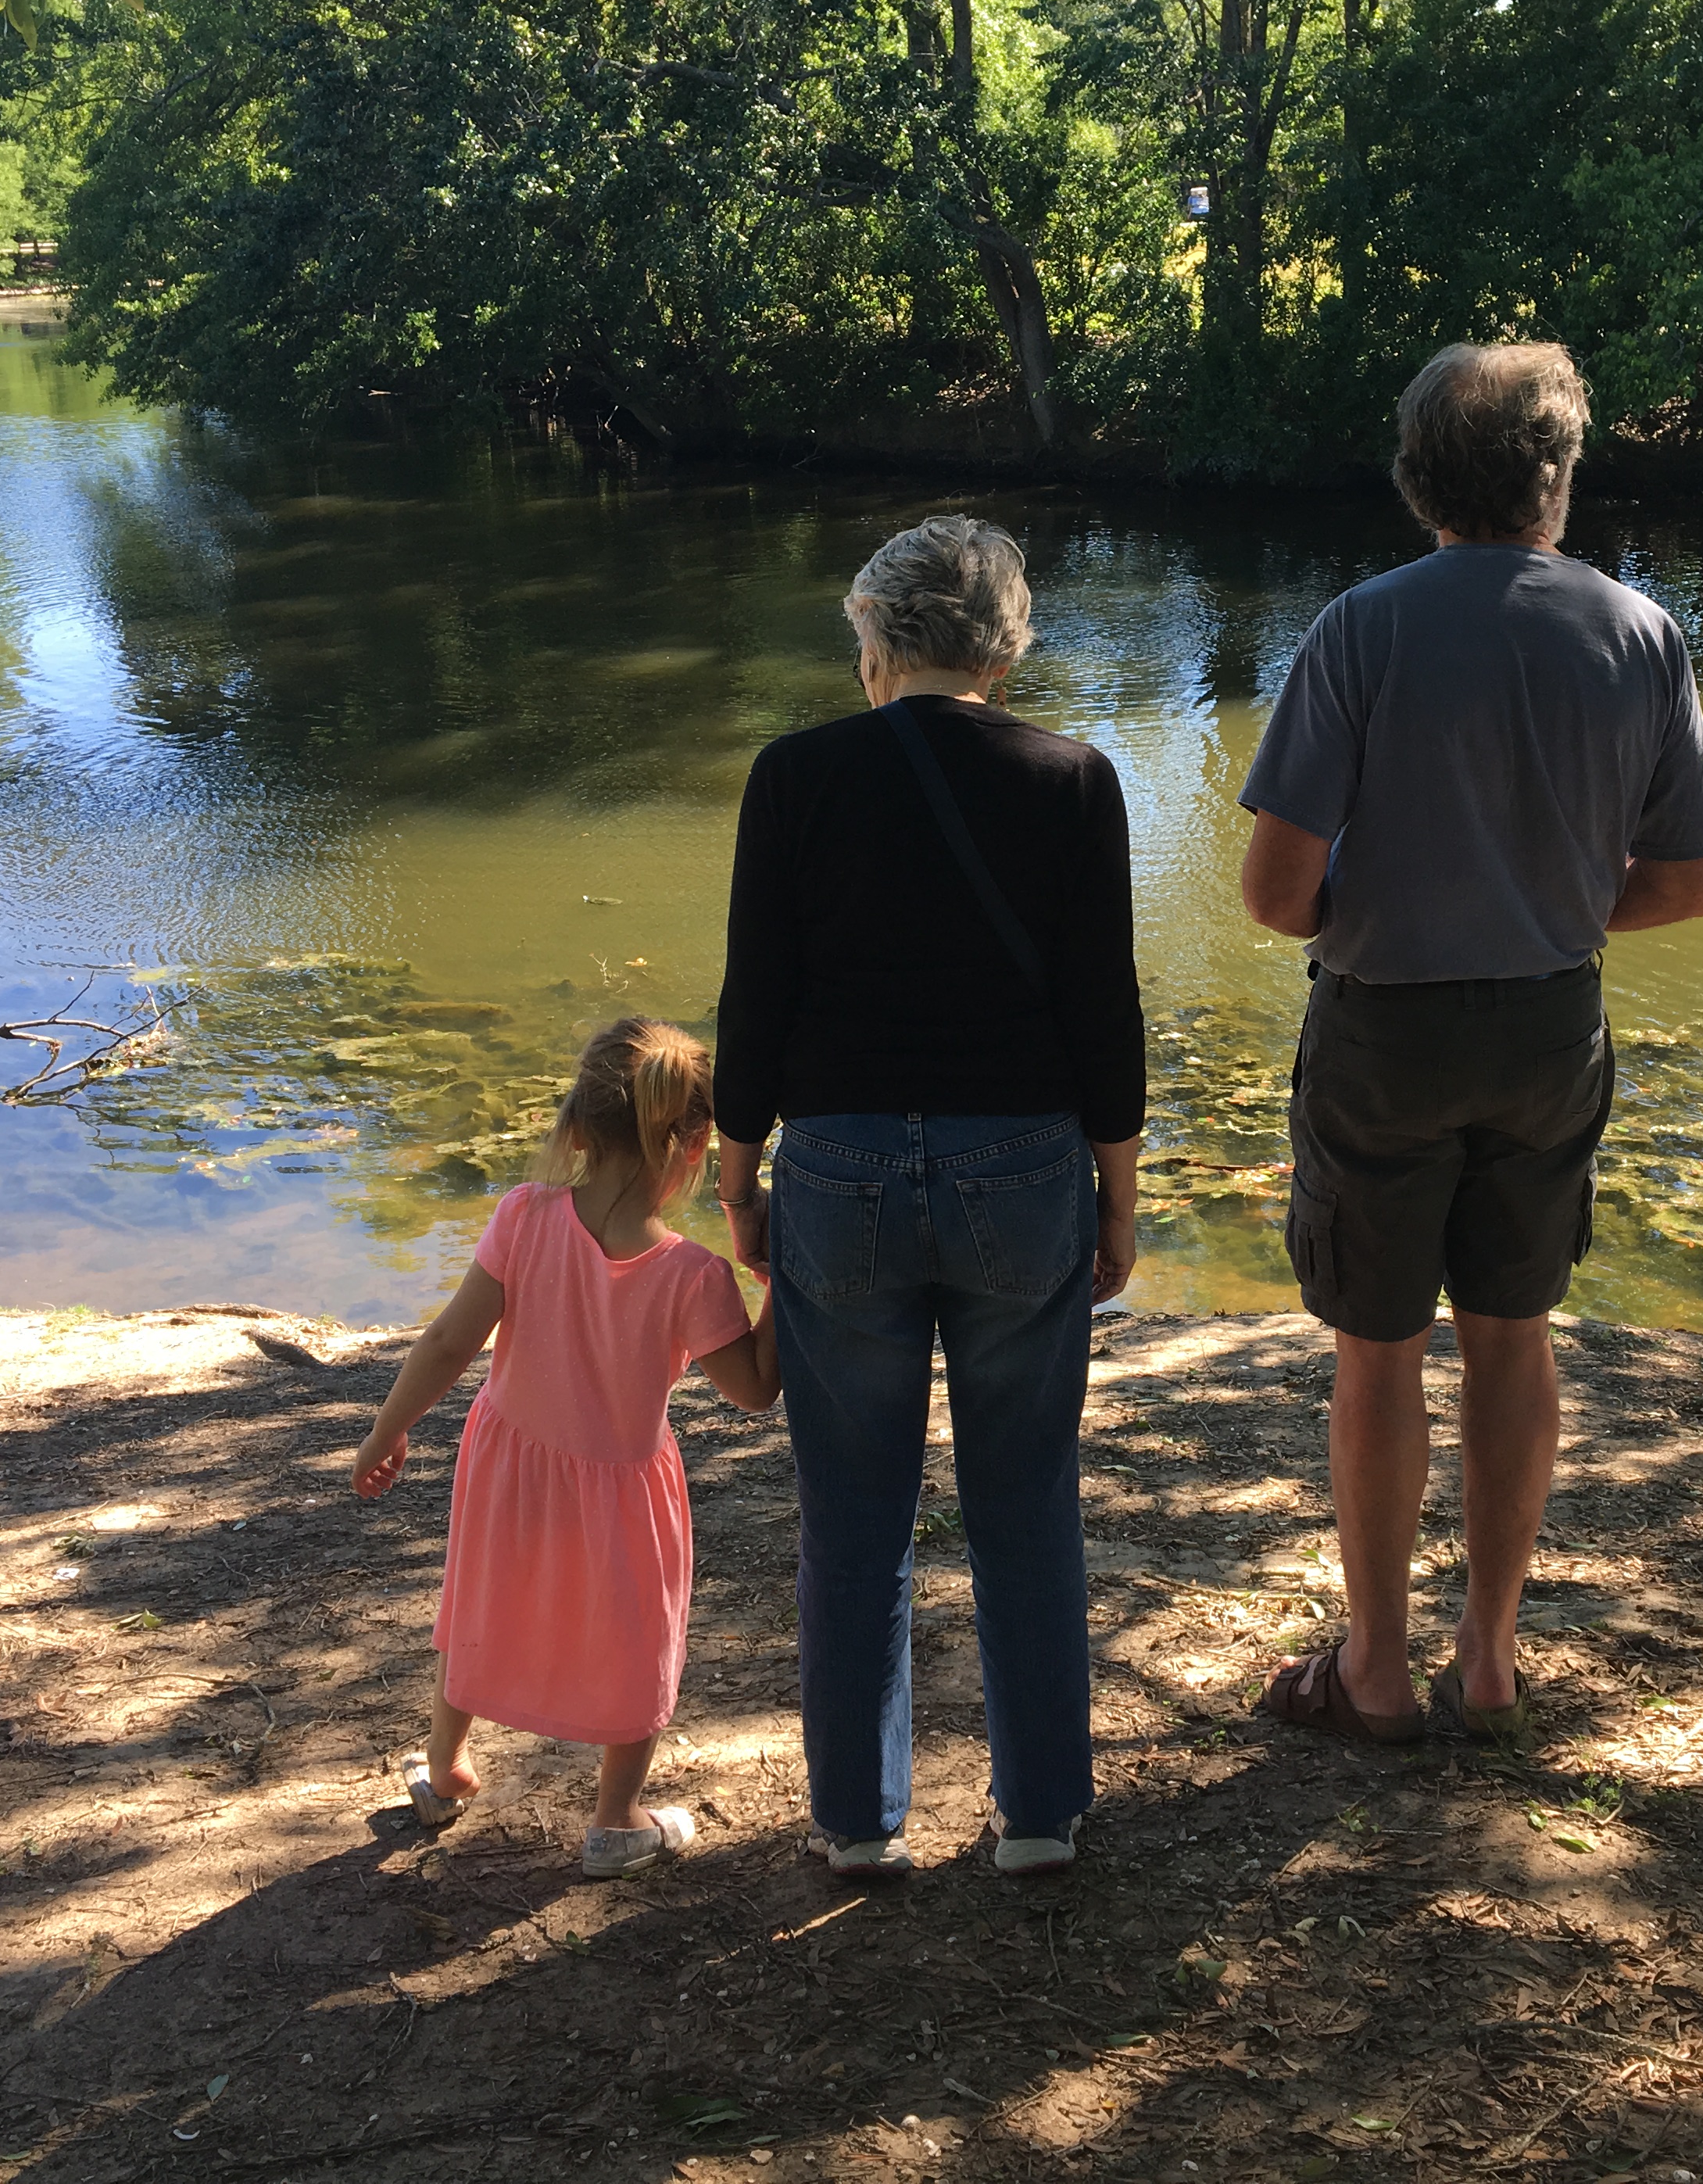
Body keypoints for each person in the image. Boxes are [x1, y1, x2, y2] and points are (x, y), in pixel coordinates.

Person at [1240, 341, 1703, 1753]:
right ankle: (1494, 1656)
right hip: (1548, 1020)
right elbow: (1690, 882)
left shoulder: (1360, 628)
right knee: (1512, 1341)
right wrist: (1551, 903)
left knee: (1376, 1350)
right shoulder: (1640, 632)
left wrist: (1388, 907)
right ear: (1556, 476)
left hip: (1383, 1025)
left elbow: (1276, 896)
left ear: (1416, 481)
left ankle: (1377, 1669)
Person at [715, 514, 1145, 1880]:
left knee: (851, 1505)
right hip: (1022, 1166)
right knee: (1025, 1490)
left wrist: (738, 1171)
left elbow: (755, 999)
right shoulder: (1074, 780)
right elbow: (1104, 1014)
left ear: (875, 642)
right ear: (1004, 649)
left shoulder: (793, 776)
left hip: (836, 1165)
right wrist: (1116, 1193)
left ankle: (854, 1820)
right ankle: (1037, 1816)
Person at [351, 1017, 779, 1879]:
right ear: (696, 1145)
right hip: (625, 1486)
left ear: (575, 1127)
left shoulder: (523, 1215)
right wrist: (779, 1278)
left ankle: (443, 1773)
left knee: (479, 1604)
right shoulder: (693, 1274)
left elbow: (447, 1343)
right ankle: (616, 1819)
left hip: (508, 1463)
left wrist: (386, 1428)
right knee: (638, 1635)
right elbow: (757, 1389)